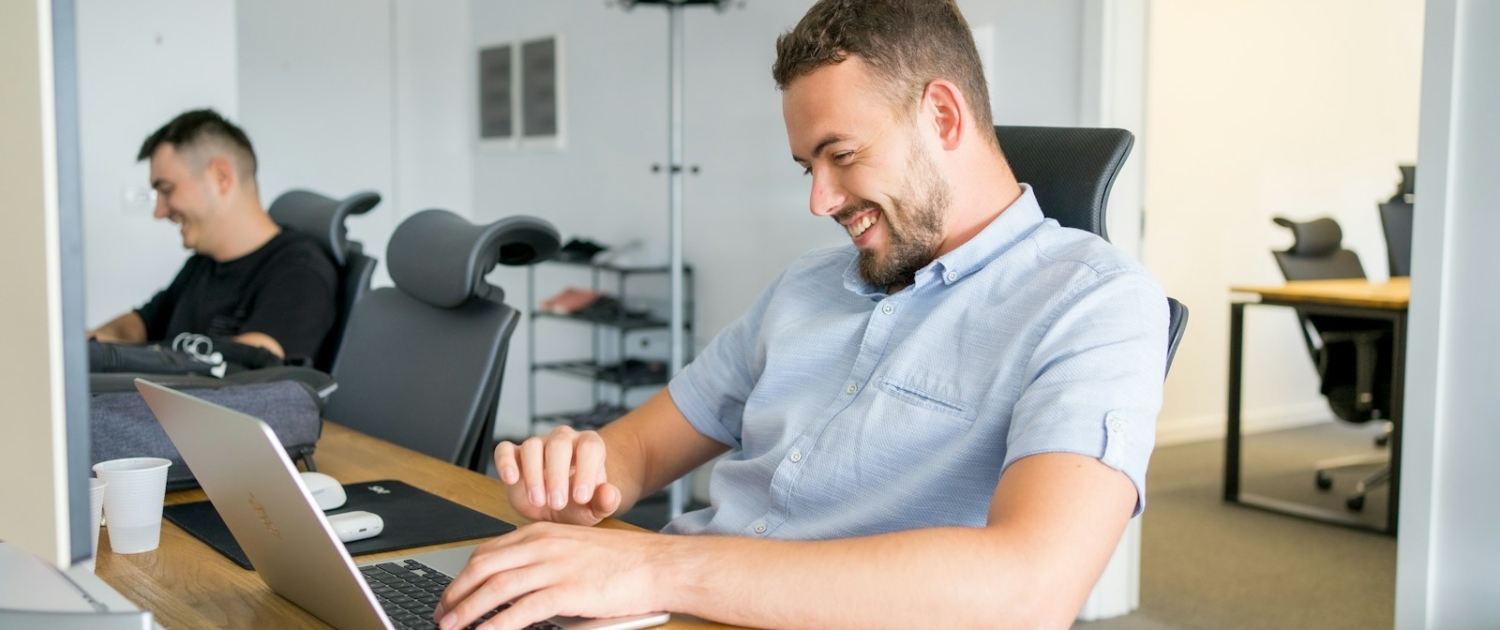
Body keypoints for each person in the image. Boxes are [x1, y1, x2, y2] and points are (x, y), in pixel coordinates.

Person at [436, 1, 1167, 628]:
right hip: (664, 606)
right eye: (806, 168)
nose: (820, 201)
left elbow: (1031, 588)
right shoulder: (805, 286)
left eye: (841, 154)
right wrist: (585, 472)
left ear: (942, 115)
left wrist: (660, 565)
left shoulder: (1093, 303)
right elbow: (641, 450)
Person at [87, 109, 337, 367]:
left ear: (221, 177)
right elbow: (140, 325)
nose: (159, 212)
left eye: (167, 190)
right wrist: (81, 348)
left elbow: (257, 364)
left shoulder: (299, 272)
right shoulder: (202, 265)